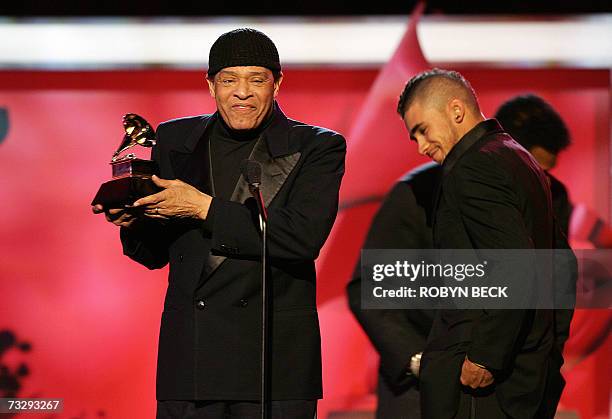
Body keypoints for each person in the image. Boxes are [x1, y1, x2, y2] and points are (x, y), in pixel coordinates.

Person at [93, 28, 346, 419]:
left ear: (277, 84)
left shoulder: (316, 146)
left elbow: (301, 237)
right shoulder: (175, 139)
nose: (241, 92)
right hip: (191, 361)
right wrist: (132, 221)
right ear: (211, 85)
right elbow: (155, 253)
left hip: (273, 365)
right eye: (229, 79)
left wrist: (203, 208)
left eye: (256, 79)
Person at [397, 68, 573, 419]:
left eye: (422, 130)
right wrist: (549, 345)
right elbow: (563, 264)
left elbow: (515, 267)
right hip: (525, 375)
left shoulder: (473, 167)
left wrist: (486, 357)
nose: (420, 147)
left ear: (456, 111)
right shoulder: (517, 157)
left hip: (482, 385)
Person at [346, 163, 439, 419]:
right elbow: (371, 287)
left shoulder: (548, 195)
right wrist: (416, 360)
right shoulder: (416, 191)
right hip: (418, 387)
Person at [495, 94, 573, 236]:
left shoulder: (556, 194)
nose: (546, 181)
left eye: (546, 172)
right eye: (534, 170)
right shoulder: (476, 189)